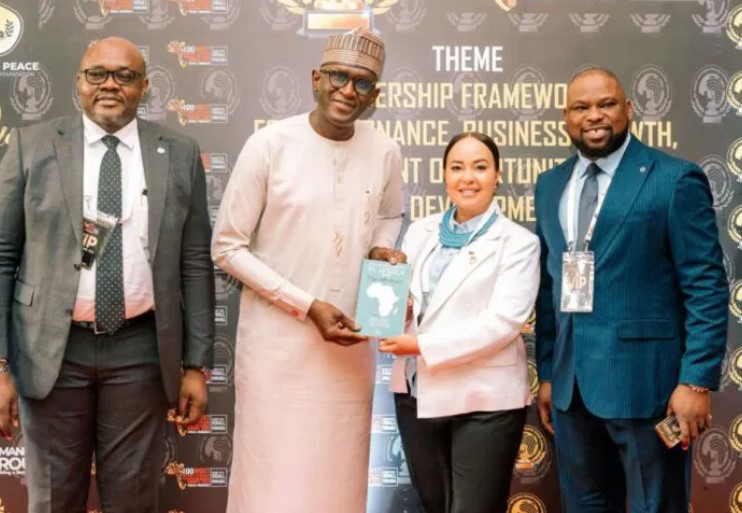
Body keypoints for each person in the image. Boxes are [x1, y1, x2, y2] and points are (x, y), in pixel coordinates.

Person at [0, 37, 215, 513]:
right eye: (97, 74)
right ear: (79, 82)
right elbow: (3, 254)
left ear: (145, 86)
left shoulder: (179, 152)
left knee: (133, 500)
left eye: (124, 76)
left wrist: (196, 365)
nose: (110, 85)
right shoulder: (32, 146)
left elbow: (195, 262)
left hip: (140, 351)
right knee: (53, 500)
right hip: (50, 351)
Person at [211, 28, 405, 512]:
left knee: (338, 482)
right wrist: (305, 305)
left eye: (362, 83)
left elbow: (389, 216)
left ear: (375, 95)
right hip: (276, 350)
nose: (348, 90)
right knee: (272, 483)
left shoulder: (385, 150)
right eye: (338, 77)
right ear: (316, 78)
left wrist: (381, 249)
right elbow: (227, 247)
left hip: (347, 353)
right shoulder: (269, 145)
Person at [534, 67, 728, 512]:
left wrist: (696, 380)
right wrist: (547, 372)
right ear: (566, 117)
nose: (594, 116)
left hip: (648, 390)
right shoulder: (550, 185)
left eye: (606, 104)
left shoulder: (674, 179)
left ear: (628, 109)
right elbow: (548, 289)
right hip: (571, 392)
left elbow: (705, 285)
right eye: (581, 107)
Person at [381, 132, 540, 513]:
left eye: (480, 167)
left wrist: (421, 345)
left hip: (485, 400)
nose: (468, 177)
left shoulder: (518, 242)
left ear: (497, 175)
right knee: (434, 505)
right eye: (457, 167)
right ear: (444, 176)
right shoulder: (419, 231)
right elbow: (413, 304)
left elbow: (503, 322)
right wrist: (398, 309)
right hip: (417, 393)